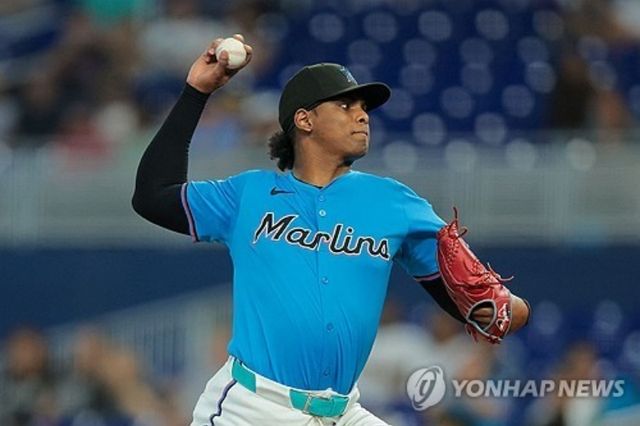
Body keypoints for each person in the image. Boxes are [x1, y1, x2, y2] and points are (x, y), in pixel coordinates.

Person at [132, 34, 531, 426]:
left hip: (341, 411)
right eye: (345, 105)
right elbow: (152, 196)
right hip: (251, 408)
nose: (362, 115)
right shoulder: (247, 195)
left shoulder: (395, 203)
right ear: (304, 119)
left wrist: (506, 309)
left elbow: (475, 303)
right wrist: (196, 92)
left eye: (363, 107)